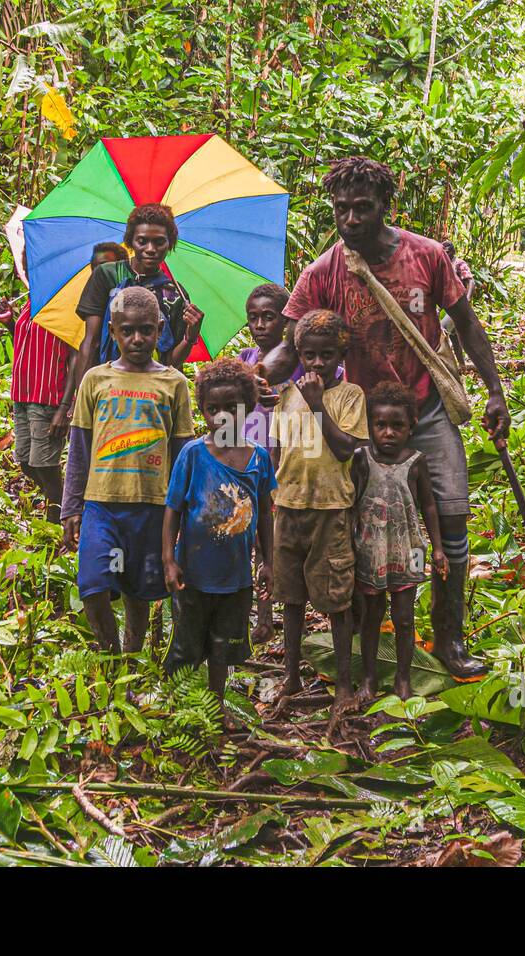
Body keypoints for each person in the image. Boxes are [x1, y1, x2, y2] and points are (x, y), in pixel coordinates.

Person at [260, 156, 511, 680]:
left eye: (362, 209)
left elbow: (466, 323)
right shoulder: (324, 272)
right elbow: (290, 346)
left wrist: (494, 391)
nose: (350, 220)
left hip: (426, 409)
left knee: (452, 519)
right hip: (356, 422)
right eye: (341, 210)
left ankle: (449, 636)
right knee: (353, 530)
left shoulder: (426, 256)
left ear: (384, 208)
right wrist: (261, 378)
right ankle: (364, 646)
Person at [61, 287, 196, 654]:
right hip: (102, 505)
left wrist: (183, 509)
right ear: (112, 330)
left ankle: (132, 658)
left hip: (153, 506)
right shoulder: (95, 380)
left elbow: (182, 450)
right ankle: (110, 652)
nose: (137, 339)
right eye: (127, 331)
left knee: (138, 588)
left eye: (147, 331)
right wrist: (71, 507)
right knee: (93, 585)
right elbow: (80, 448)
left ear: (160, 328)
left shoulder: (174, 383)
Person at [162, 358, 275, 729]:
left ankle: (215, 704)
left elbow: (266, 515)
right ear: (203, 410)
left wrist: (268, 562)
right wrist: (169, 559)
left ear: (248, 406)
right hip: (195, 574)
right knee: (187, 644)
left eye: (233, 408)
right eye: (214, 409)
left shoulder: (258, 458)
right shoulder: (193, 454)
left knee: (222, 649)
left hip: (236, 577)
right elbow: (173, 508)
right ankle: (181, 707)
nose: (222, 416)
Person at [269, 309, 368, 709]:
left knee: (336, 601)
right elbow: (277, 451)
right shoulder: (286, 398)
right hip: (289, 508)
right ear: (298, 354)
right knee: (291, 598)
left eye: (326, 355)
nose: (317, 363)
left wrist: (317, 407)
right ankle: (291, 676)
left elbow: (347, 448)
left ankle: (343, 685)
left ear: (340, 355)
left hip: (332, 509)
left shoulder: (350, 396)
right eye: (309, 355)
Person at [235, 282, 340, 645]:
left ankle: (288, 610)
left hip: (289, 464)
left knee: (277, 545)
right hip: (249, 462)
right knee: (254, 541)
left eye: (269, 317)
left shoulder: (301, 362)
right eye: (253, 318)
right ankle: (262, 618)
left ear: (285, 321)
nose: (260, 325)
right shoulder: (245, 361)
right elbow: (228, 414)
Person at [0, 243, 128, 522]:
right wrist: (10, 322)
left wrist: (65, 406)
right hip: (23, 391)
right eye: (27, 265)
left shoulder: (72, 305)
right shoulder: (32, 300)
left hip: (48, 394)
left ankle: (62, 514)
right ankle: (59, 506)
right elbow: (29, 343)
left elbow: (76, 356)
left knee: (43, 463)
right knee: (25, 461)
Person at [351, 382, 446, 701]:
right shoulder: (361, 458)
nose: (388, 433)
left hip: (411, 550)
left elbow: (429, 505)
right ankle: (369, 677)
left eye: (397, 426)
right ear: (370, 426)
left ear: (411, 427)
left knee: (404, 617)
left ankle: (403, 678)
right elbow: (351, 503)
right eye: (381, 425)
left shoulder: (416, 461)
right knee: (371, 615)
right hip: (370, 550)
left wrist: (439, 549)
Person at [65, 203, 205, 417]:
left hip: (152, 398)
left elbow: (171, 363)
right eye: (143, 241)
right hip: (107, 390)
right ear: (131, 241)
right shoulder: (107, 276)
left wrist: (190, 336)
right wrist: (83, 399)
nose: (151, 249)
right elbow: (90, 341)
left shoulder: (175, 294)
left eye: (159, 242)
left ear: (170, 244)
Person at [440, 241, 472, 369]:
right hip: (447, 305)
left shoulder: (459, 264)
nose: (445, 254)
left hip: (459, 304)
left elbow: (470, 281)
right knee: (453, 336)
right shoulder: (443, 265)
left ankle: (446, 365)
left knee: (442, 330)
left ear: (453, 251)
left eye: (447, 252)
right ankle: (462, 366)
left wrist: (467, 300)